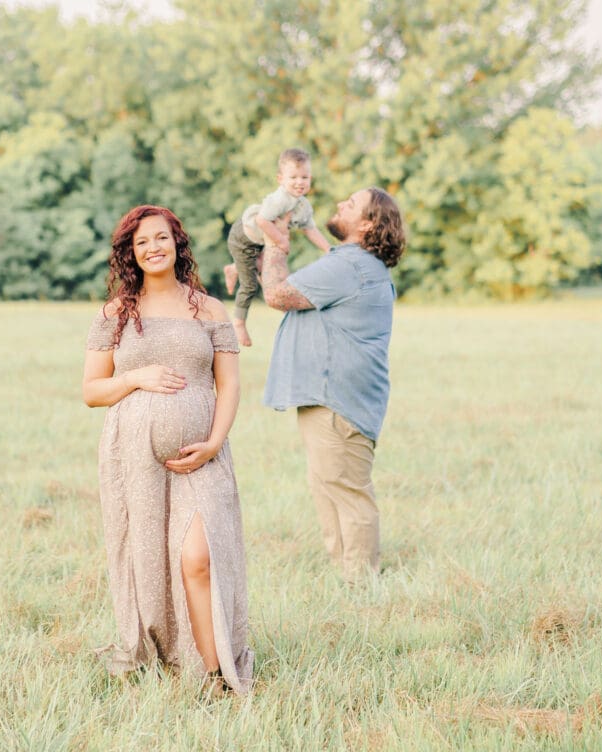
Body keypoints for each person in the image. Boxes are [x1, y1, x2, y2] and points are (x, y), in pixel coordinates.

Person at [82, 205, 253, 696]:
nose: (153, 247)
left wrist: (215, 443)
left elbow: (230, 384)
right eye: (141, 243)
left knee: (198, 557)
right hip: (132, 455)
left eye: (161, 238)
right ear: (130, 254)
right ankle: (171, 657)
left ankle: (218, 673)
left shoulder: (208, 309)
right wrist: (137, 377)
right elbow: (92, 390)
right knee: (149, 557)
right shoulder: (115, 313)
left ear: (177, 243)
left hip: (201, 452)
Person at [259, 187, 406, 581]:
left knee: (346, 492)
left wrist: (275, 242)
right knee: (330, 487)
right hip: (332, 398)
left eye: (351, 204)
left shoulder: (351, 265)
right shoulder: (354, 264)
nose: (341, 204)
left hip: (337, 399)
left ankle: (360, 584)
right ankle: (347, 577)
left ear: (369, 224)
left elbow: (276, 294)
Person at [223, 148, 331, 347]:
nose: (300, 182)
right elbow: (262, 221)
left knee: (264, 272)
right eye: (293, 177)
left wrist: (327, 249)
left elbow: (310, 229)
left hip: (260, 241)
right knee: (250, 285)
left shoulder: (303, 206)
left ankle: (234, 268)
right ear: (280, 179)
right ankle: (238, 323)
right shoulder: (280, 199)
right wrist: (281, 240)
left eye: (305, 177)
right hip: (244, 239)